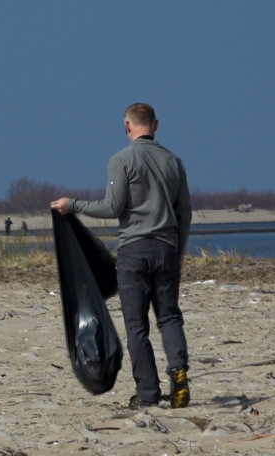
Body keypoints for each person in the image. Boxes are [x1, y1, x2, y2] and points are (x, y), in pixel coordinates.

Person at [50, 103, 192, 410]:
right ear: (156, 125)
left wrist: (72, 205)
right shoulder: (175, 162)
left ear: (127, 126)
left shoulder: (121, 160)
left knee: (136, 325)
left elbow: (112, 207)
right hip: (167, 250)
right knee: (169, 316)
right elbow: (184, 214)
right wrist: (178, 252)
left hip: (134, 251)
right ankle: (178, 367)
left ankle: (148, 393)